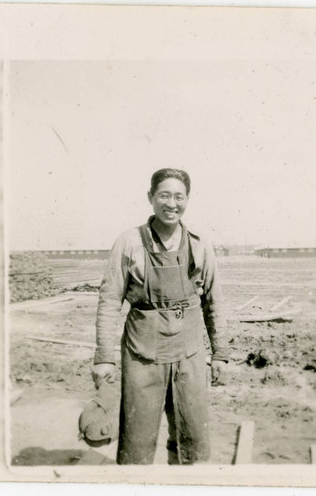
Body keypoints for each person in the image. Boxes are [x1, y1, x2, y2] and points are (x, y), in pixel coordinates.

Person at [92, 168, 228, 465]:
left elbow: (213, 300)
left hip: (189, 352)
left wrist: (220, 353)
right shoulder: (129, 242)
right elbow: (109, 301)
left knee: (192, 434)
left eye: (179, 197)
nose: (171, 204)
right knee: (136, 439)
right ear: (150, 198)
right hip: (143, 351)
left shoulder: (200, 244)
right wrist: (103, 357)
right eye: (164, 195)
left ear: (187, 200)